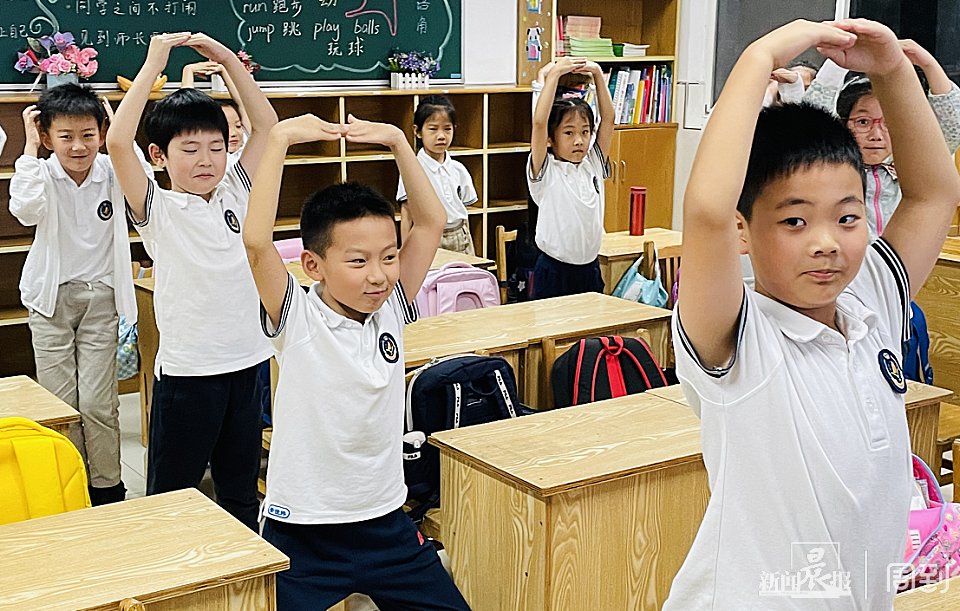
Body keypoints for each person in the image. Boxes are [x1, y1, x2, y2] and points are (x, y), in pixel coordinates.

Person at [665, 18, 960, 610]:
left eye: (847, 218)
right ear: (744, 231)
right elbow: (705, 212)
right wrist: (758, 56)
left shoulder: (870, 298)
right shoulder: (739, 336)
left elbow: (933, 193)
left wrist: (895, 72)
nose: (826, 242)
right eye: (795, 221)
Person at [242, 112, 470, 610]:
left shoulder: (393, 305)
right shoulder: (297, 314)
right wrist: (278, 139)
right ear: (313, 265)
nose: (378, 275)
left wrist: (396, 140)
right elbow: (257, 242)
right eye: (358, 261)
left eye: (389, 257)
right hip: (303, 530)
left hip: (385, 521)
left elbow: (432, 221)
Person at [106, 32, 277, 530]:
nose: (206, 160)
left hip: (248, 365)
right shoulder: (157, 207)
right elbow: (118, 140)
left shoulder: (236, 190)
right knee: (172, 499)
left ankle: (244, 592)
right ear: (159, 156)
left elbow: (265, 124)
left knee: (241, 492)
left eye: (216, 147)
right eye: (190, 149)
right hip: (188, 377)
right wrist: (155, 61)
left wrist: (225, 60)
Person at [9, 84, 152, 505]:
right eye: (65, 136)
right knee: (59, 403)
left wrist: (120, 134)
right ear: (48, 136)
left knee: (98, 402)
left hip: (101, 299)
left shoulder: (112, 169)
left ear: (102, 132)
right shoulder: (41, 172)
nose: (78, 146)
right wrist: (30, 150)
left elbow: (144, 186)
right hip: (50, 300)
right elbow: (26, 210)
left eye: (88, 134)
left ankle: (106, 486)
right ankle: (64, 490)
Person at [803, 40, 960, 239]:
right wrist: (838, 61)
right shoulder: (834, 166)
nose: (876, 134)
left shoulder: (913, 168)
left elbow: (954, 127)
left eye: (887, 122)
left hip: (900, 264)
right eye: (862, 122)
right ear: (844, 124)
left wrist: (928, 63)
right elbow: (810, 122)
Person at [527, 57, 614, 299]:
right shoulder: (545, 169)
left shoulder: (593, 164)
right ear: (550, 139)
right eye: (568, 132)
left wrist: (596, 73)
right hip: (553, 272)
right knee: (551, 334)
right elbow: (538, 122)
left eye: (585, 132)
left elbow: (608, 119)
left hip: (589, 270)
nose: (579, 140)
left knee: (590, 335)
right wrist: (553, 76)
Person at [397, 95, 478, 254]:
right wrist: (406, 253)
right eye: (433, 129)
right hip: (428, 239)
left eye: (447, 129)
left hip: (460, 237)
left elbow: (464, 213)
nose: (441, 136)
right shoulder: (412, 170)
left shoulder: (458, 169)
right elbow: (406, 215)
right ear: (417, 131)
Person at [182, 61, 250, 165]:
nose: (233, 133)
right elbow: (186, 108)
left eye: (238, 126)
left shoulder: (247, 146)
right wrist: (188, 71)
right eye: (226, 127)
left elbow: (243, 103)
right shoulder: (206, 155)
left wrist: (223, 72)